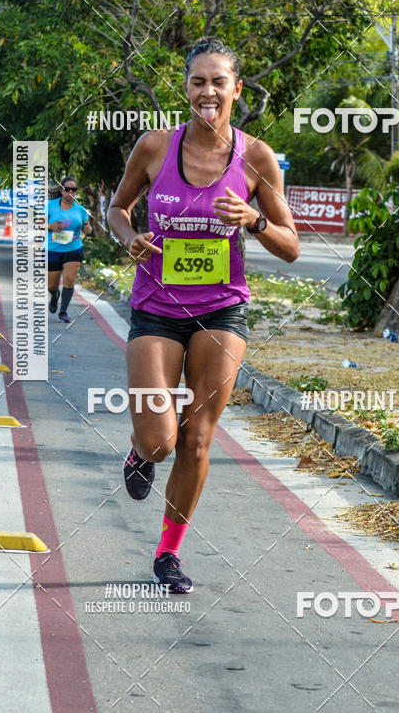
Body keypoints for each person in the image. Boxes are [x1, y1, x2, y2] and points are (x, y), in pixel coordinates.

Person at [107, 37, 299, 593]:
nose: (208, 91)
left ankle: (168, 555)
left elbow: (290, 245)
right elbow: (118, 208)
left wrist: (252, 221)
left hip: (221, 312)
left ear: (237, 90)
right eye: (198, 81)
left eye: (219, 81)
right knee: (162, 439)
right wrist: (129, 238)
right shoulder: (153, 147)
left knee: (196, 438)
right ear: (186, 88)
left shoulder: (255, 157)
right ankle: (141, 454)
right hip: (156, 309)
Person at [47, 176, 92, 323]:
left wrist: (87, 228)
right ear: (61, 190)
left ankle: (63, 312)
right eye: (68, 189)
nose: (71, 192)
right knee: (51, 285)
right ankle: (54, 296)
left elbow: (88, 229)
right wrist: (50, 226)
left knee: (69, 280)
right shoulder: (50, 205)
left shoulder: (80, 209)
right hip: (53, 248)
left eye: (74, 189)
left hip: (74, 248)